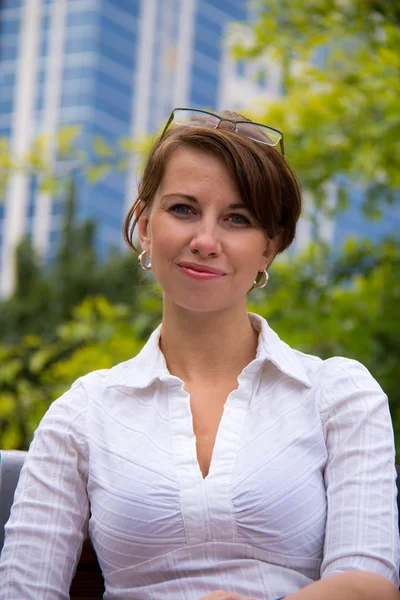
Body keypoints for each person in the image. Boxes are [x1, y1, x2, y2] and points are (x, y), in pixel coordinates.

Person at [0, 108, 399, 600]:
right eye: (184, 210)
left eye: (237, 219)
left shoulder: (339, 394)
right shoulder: (83, 413)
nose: (205, 241)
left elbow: (370, 588)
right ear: (145, 227)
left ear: (269, 247)